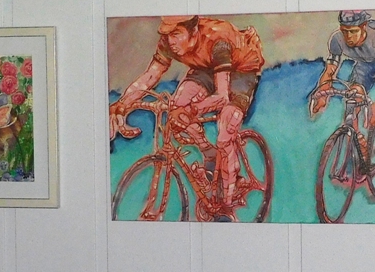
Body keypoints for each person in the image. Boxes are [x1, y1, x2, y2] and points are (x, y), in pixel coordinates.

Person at [109, 15, 264, 220]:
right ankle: (209, 153)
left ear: (194, 32)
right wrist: (122, 104)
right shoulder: (168, 42)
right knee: (177, 105)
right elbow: (150, 76)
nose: (171, 41)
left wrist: (192, 111)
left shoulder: (217, 42)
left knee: (226, 127)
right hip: (205, 67)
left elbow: (221, 97)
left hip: (241, 68)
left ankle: (226, 205)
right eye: (167, 35)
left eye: (176, 34)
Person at [310, 9, 375, 177]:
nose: (348, 37)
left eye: (353, 31)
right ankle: (360, 150)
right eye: (344, 31)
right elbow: (329, 72)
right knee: (352, 98)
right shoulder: (336, 40)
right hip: (365, 61)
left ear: (364, 27)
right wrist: (322, 94)